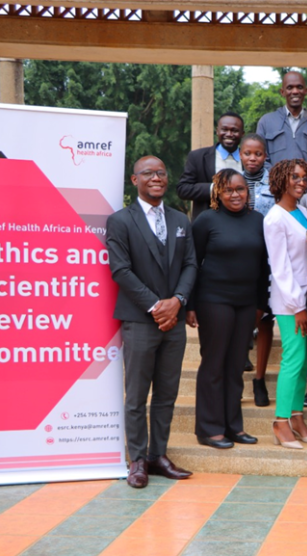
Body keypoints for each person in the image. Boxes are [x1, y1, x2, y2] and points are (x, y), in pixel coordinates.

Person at [106, 156, 196, 488]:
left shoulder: (180, 220)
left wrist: (178, 301)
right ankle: (138, 460)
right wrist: (156, 306)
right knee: (137, 395)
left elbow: (190, 265)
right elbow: (120, 271)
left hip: (174, 320)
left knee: (167, 393)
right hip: (141, 321)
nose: (156, 177)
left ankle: (158, 455)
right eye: (148, 173)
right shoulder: (120, 221)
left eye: (161, 172)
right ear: (134, 180)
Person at [186, 168, 266, 450]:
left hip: (246, 303)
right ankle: (209, 429)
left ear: (248, 191)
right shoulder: (206, 220)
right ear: (218, 193)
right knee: (215, 364)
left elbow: (263, 266)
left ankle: (233, 426)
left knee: (235, 366)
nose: (235, 194)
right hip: (213, 300)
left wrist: (260, 304)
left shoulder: (257, 220)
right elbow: (192, 263)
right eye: (229, 190)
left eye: (240, 189)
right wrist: (191, 304)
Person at [264, 159, 307, 449]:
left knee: (303, 361)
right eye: (295, 177)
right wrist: (297, 305)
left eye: (305, 178)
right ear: (281, 179)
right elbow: (280, 267)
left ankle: (297, 417)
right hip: (290, 302)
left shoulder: (302, 211)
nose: (301, 182)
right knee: (293, 360)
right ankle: (280, 420)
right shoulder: (274, 218)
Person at [241, 133, 276, 407]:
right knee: (245, 317)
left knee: (265, 320)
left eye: (258, 154)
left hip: (269, 258)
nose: (253, 158)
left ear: (266, 156)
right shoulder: (229, 181)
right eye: (247, 153)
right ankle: (239, 364)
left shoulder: (274, 183)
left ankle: (260, 379)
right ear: (240, 155)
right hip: (239, 259)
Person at [177, 112, 244, 219]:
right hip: (208, 226)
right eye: (224, 130)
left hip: (242, 222)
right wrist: (215, 188)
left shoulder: (249, 159)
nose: (229, 134)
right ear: (217, 131)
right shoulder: (198, 157)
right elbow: (183, 189)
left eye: (234, 130)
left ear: (242, 133)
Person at [257, 71, 307, 168]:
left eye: (299, 87)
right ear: (282, 92)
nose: (295, 91)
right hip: (274, 182)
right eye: (290, 87)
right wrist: (278, 178)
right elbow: (260, 157)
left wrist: (303, 178)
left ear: (305, 91)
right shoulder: (266, 121)